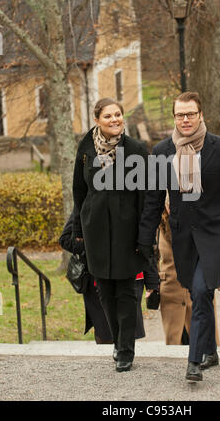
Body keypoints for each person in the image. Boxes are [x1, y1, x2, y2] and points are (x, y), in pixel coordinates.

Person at [138, 91, 220, 382]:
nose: (185, 119)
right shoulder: (162, 151)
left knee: (201, 291)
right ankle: (211, 351)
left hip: (215, 232)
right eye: (180, 114)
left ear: (201, 115)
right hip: (183, 235)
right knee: (197, 291)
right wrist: (145, 238)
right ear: (174, 117)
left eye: (190, 114)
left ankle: (195, 360)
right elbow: (153, 199)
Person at [72, 97, 156, 372]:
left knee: (127, 293)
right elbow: (79, 192)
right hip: (95, 232)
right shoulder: (86, 149)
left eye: (118, 114)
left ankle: (125, 349)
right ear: (97, 120)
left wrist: (145, 236)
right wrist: (79, 231)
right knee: (105, 292)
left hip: (127, 233)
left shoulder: (137, 150)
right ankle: (118, 341)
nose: (115, 120)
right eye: (108, 116)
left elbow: (147, 196)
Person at [59, 208, 158, 345]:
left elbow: (146, 243)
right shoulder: (89, 199)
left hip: (132, 276)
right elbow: (65, 239)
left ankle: (125, 358)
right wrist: (96, 245)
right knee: (106, 334)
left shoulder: (134, 198)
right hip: (98, 278)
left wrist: (152, 281)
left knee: (127, 331)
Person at [158, 202, 220, 367]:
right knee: (174, 343)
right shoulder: (160, 219)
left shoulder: (198, 219)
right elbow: (151, 253)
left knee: (202, 335)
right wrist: (151, 285)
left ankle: (203, 361)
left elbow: (213, 252)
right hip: (171, 288)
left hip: (198, 285)